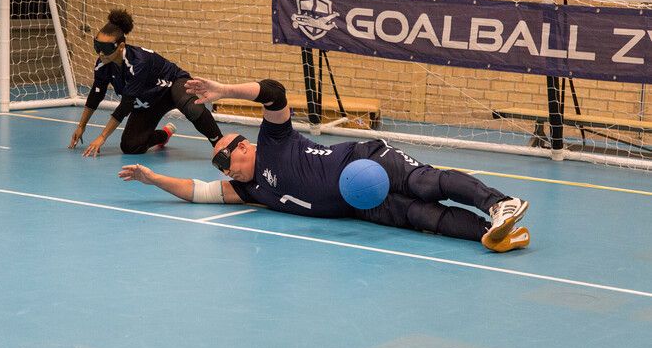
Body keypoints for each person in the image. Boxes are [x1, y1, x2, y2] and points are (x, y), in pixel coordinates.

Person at [118, 77, 530, 252]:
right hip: (362, 205)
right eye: (219, 167)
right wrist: (153, 179)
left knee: (425, 184)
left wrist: (225, 89)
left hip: (367, 161)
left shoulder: (274, 140)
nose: (224, 169)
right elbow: (196, 192)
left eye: (224, 157)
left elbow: (275, 94)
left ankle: (501, 204)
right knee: (423, 217)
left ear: (243, 146)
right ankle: (492, 233)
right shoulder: (250, 190)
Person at [69, 9, 223, 156]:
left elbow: (125, 106)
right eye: (97, 46)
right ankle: (165, 134)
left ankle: (222, 145)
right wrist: (81, 126)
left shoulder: (138, 63)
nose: (101, 53)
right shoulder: (103, 64)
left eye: (106, 48)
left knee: (192, 108)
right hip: (149, 100)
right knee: (131, 146)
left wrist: (102, 137)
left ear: (121, 46)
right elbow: (97, 94)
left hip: (172, 86)